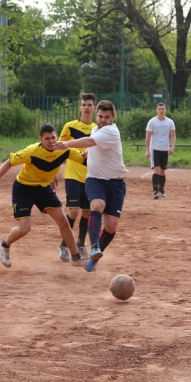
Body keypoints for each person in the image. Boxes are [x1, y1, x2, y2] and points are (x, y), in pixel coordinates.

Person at [0, 123, 87, 269]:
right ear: (41, 139)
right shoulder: (31, 151)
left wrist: (90, 155)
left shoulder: (65, 150)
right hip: (23, 189)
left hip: (43, 188)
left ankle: (76, 257)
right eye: (47, 139)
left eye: (53, 137)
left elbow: (84, 160)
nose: (51, 141)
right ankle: (4, 245)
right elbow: (9, 162)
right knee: (25, 228)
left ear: (56, 136)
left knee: (63, 221)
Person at [53, 100, 128, 273]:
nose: (103, 120)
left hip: (116, 183)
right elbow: (93, 143)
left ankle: (95, 257)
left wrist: (67, 144)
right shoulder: (97, 129)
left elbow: (90, 141)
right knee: (96, 205)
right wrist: (89, 153)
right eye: (100, 116)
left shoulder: (111, 131)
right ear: (97, 115)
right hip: (95, 180)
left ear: (113, 118)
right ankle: (94, 246)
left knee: (111, 226)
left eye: (107, 117)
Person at [57, 93, 97, 261]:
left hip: (91, 177)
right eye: (84, 104)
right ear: (80, 107)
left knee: (87, 212)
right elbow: (58, 149)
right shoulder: (70, 126)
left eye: (89, 104)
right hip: (72, 174)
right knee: (73, 212)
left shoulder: (98, 129)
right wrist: (53, 173)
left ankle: (81, 243)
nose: (86, 107)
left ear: (94, 108)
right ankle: (64, 245)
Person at [145, 102, 176, 198]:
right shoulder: (152, 122)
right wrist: (147, 150)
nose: (161, 110)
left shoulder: (170, 122)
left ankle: (161, 190)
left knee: (162, 170)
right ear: (156, 110)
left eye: (163, 108)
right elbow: (147, 136)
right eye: (159, 109)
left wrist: (172, 147)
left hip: (164, 149)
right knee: (157, 169)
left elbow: (173, 136)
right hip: (155, 148)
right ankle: (155, 191)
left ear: (165, 110)